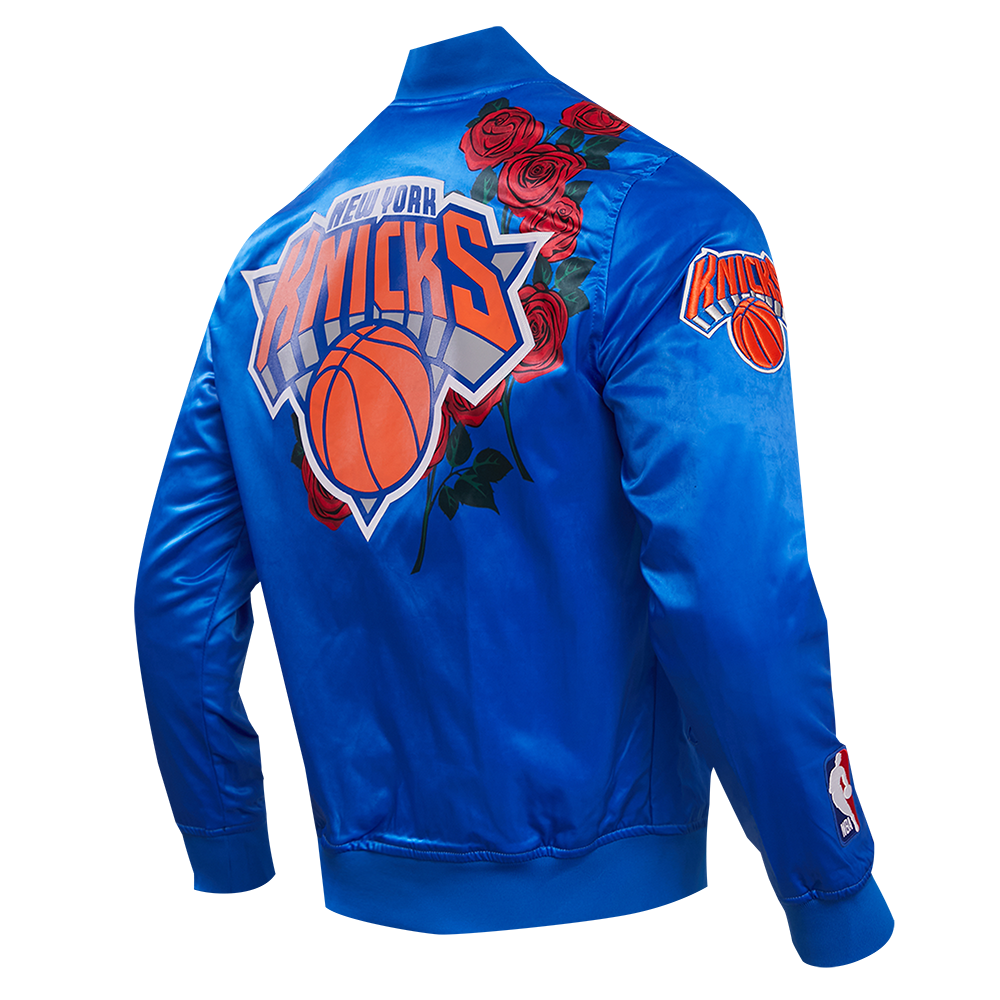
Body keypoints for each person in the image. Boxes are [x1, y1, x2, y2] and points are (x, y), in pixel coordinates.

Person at [135, 27, 893, 967]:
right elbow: (736, 593)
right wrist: (835, 895)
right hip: (617, 926)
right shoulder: (659, 218)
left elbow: (177, 614)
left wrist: (232, 879)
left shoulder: (259, 271)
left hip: (348, 920)